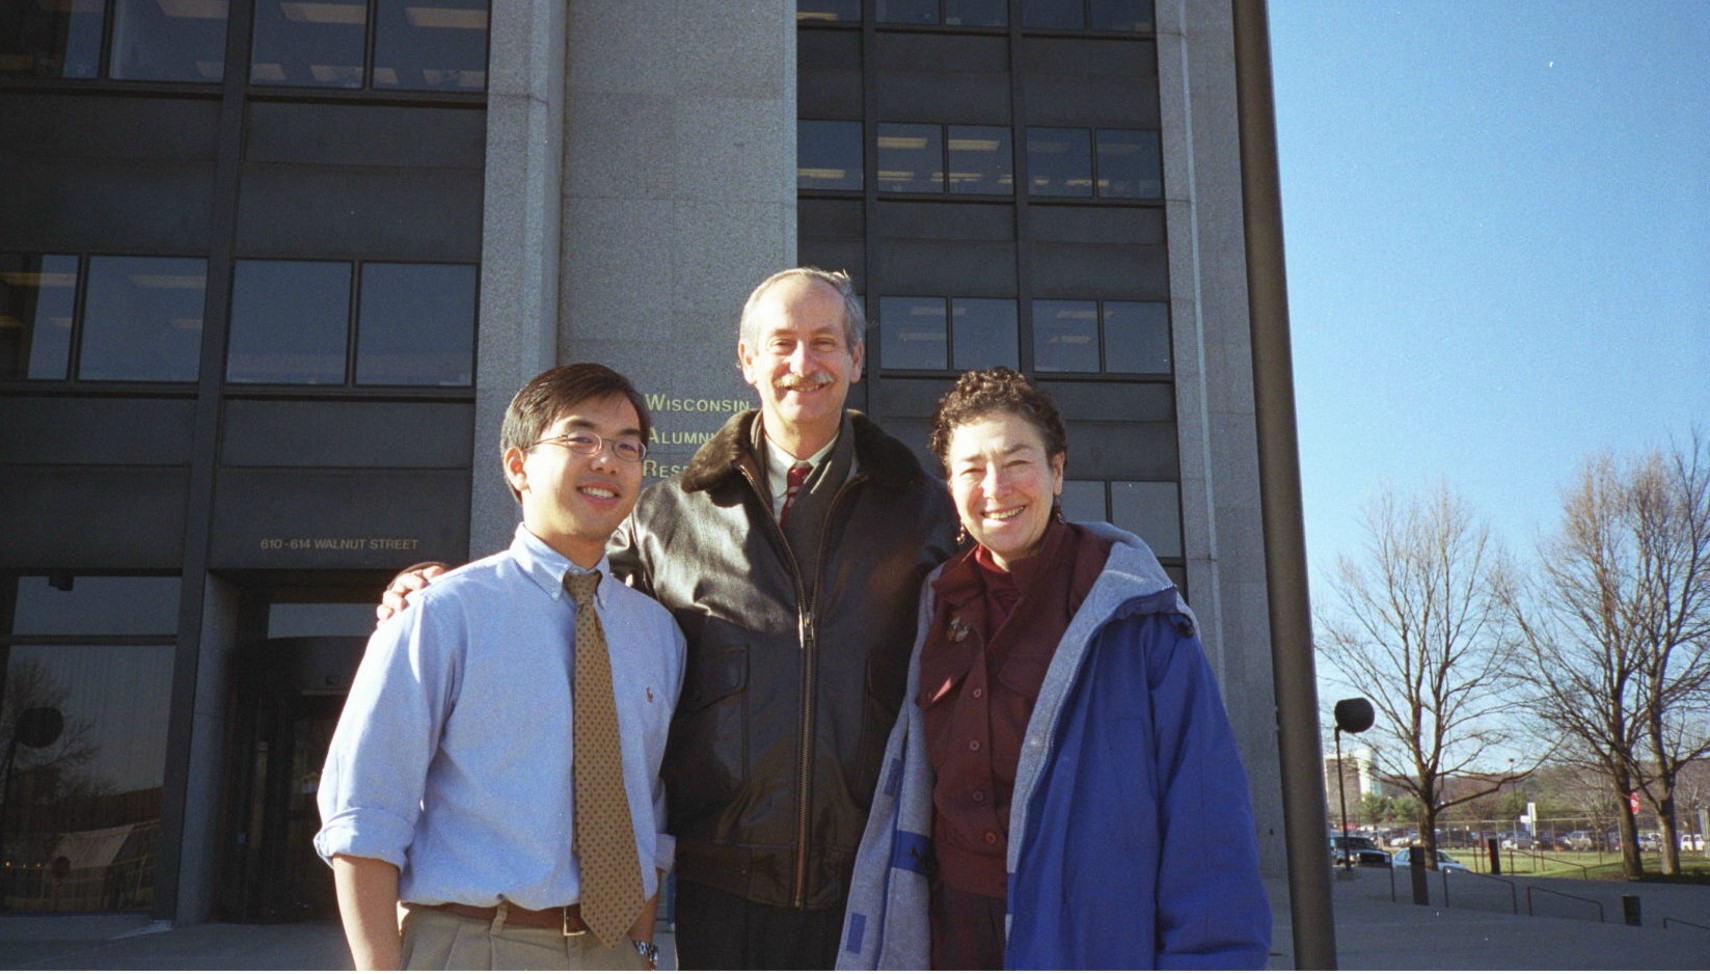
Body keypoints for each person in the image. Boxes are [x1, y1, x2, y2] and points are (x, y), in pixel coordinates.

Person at [384, 268, 958, 970]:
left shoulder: (932, 513)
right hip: (722, 889)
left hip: (875, 880)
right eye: (780, 344)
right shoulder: (662, 517)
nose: (802, 365)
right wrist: (438, 584)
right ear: (746, 360)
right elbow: (568, 595)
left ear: (856, 359)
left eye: (824, 343)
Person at [836, 367, 1271, 970]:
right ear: (950, 487)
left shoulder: (1138, 616)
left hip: (1086, 938)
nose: (996, 487)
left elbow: (1207, 824)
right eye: (972, 469)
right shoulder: (935, 605)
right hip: (951, 936)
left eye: (1018, 461)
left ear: (1057, 471)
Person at [318, 363, 685, 970]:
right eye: (580, 438)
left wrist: (641, 950)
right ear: (518, 466)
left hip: (613, 954)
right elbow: (364, 817)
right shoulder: (442, 615)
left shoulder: (657, 635)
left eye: (628, 445)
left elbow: (648, 813)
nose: (607, 460)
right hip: (475, 945)